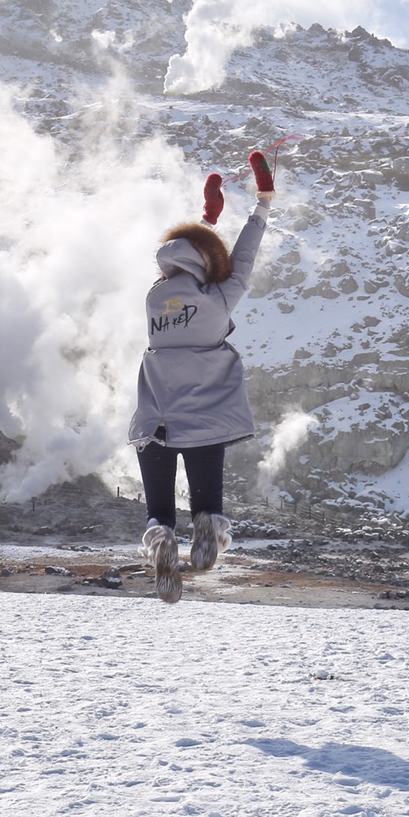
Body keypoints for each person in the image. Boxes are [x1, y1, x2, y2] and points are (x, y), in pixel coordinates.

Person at [129, 151, 277, 603]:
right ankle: (209, 524)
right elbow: (242, 258)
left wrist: (206, 219)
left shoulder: (155, 296)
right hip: (208, 413)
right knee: (207, 497)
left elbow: (188, 258)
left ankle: (159, 535)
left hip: (157, 412)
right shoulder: (221, 298)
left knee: (158, 505)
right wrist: (263, 205)